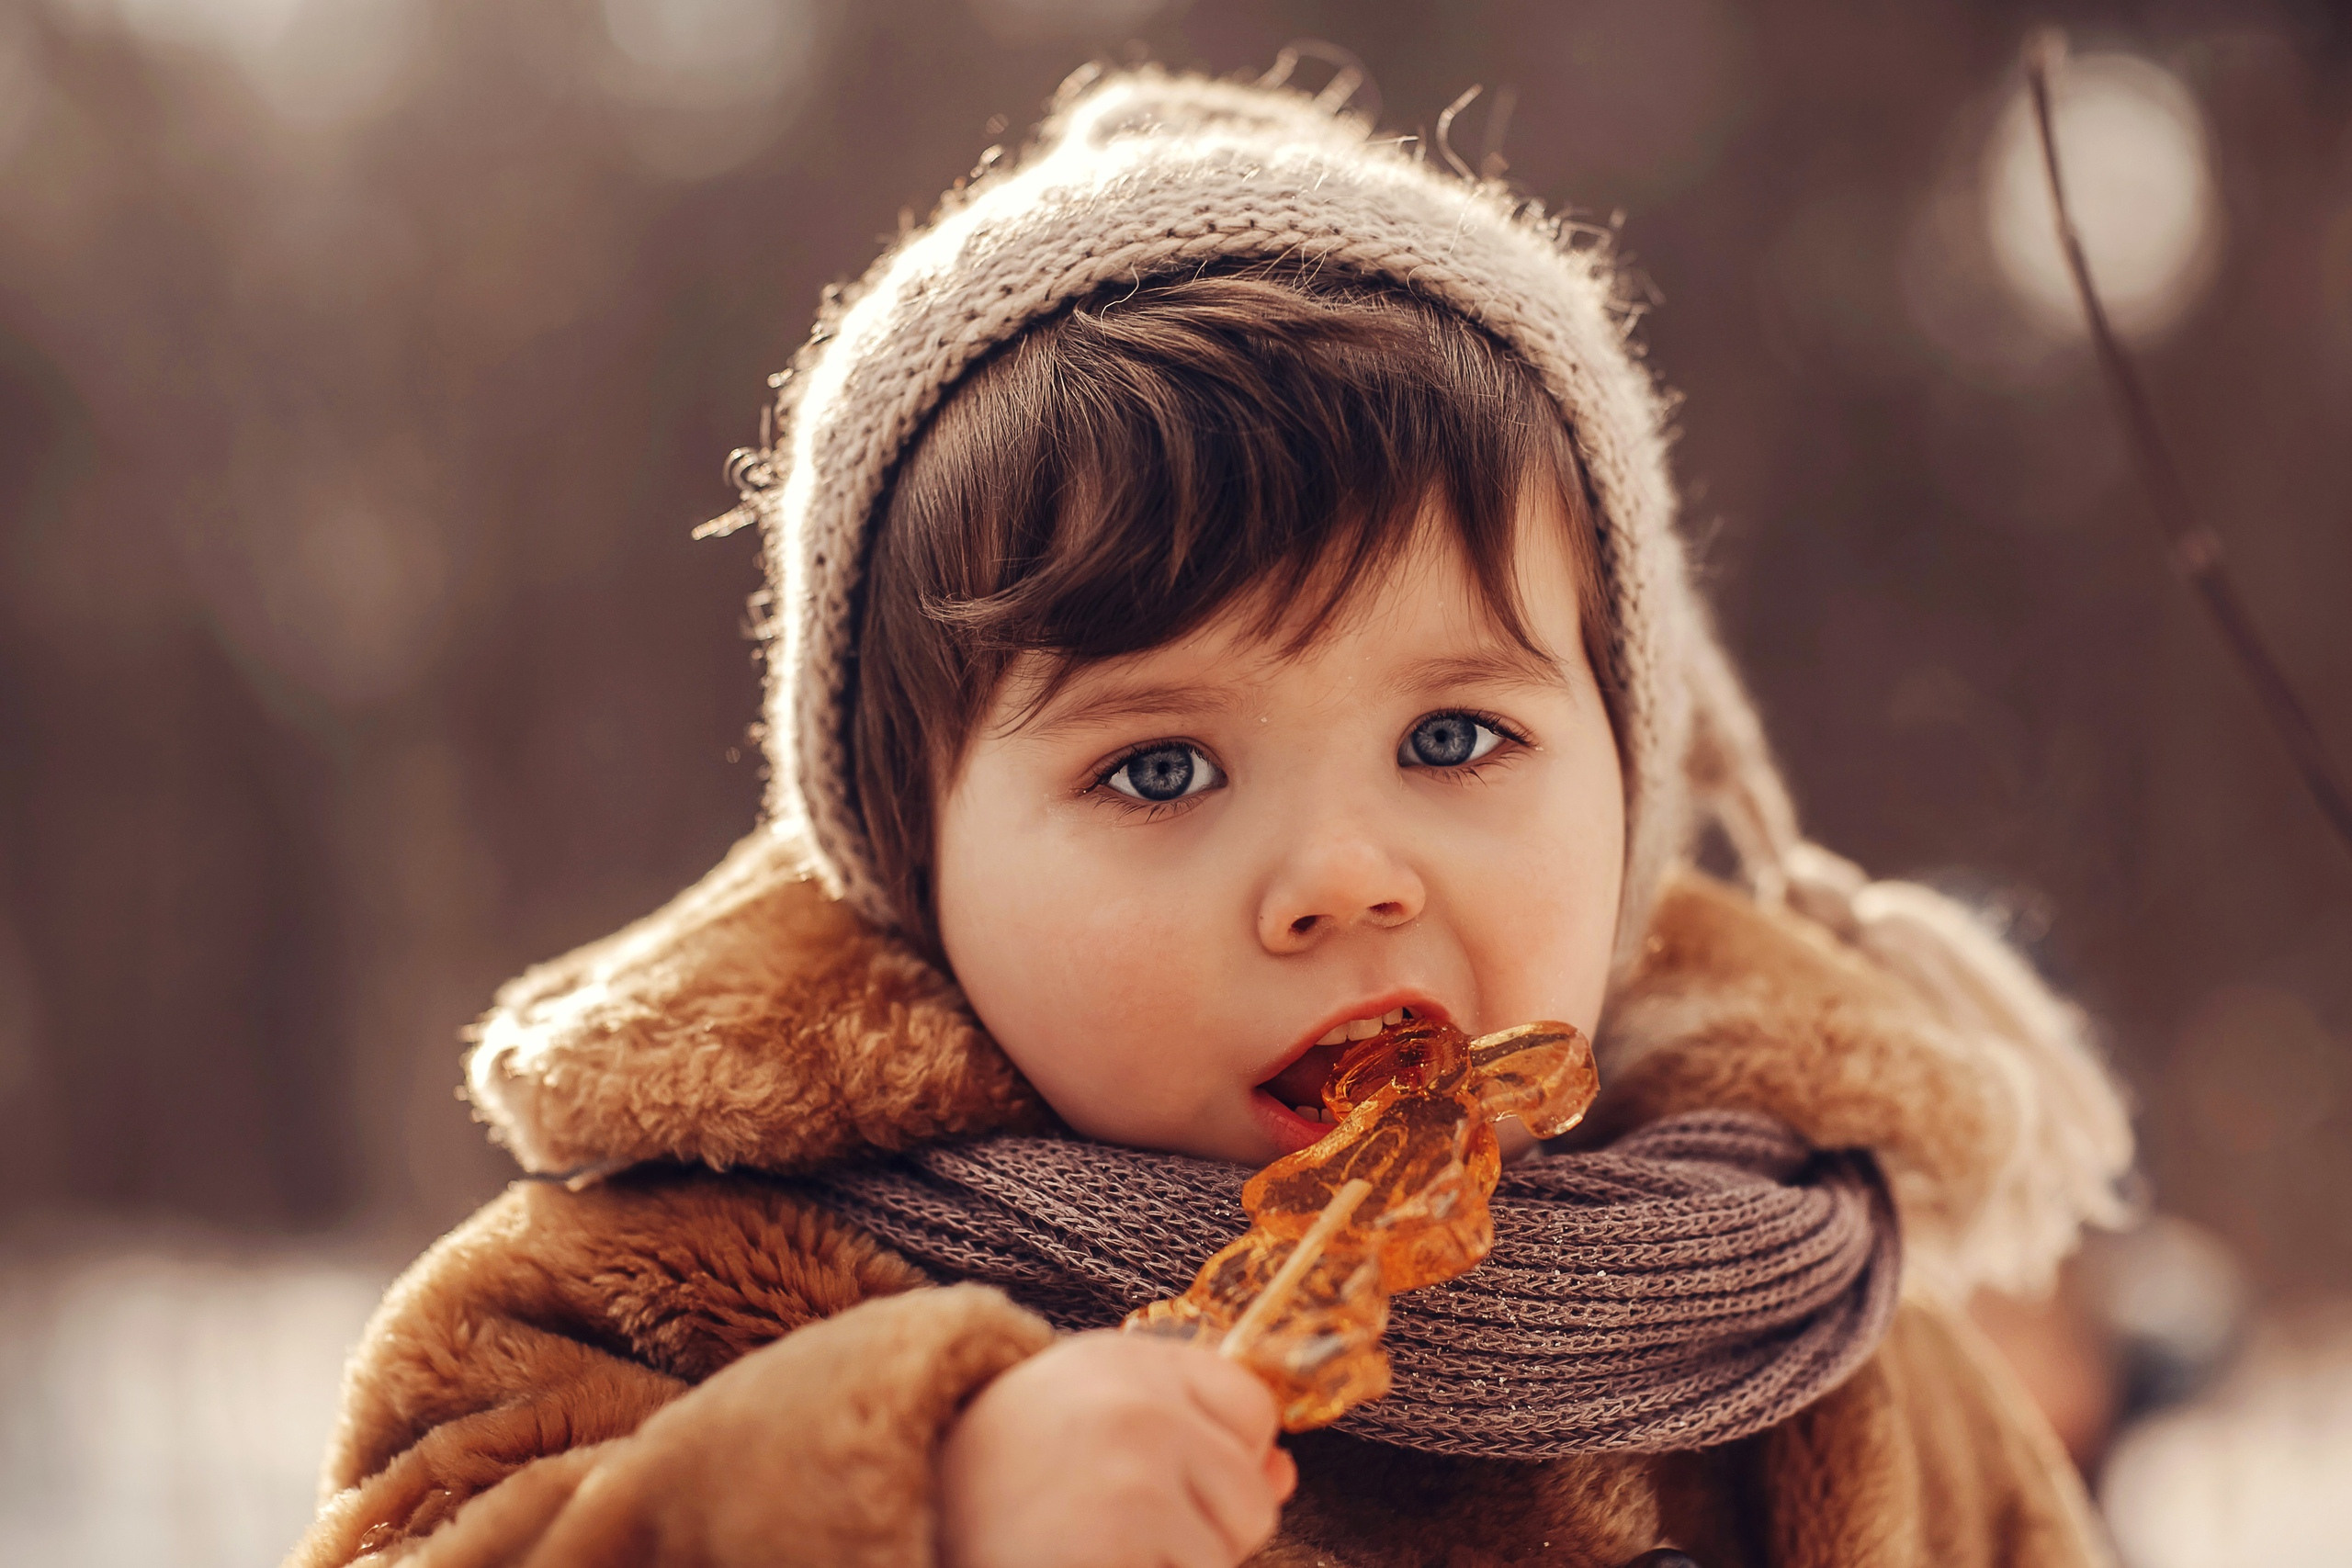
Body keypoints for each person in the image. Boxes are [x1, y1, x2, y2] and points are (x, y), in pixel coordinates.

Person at [288, 67, 2135, 1568]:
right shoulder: (672, 1294)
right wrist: (903, 1507)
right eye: (1157, 768)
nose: (1341, 879)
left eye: (1455, 737)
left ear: (1627, 782)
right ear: (910, 860)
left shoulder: (1811, 1344)